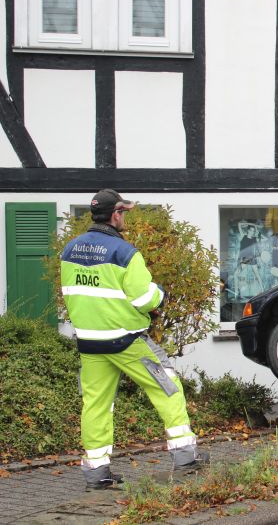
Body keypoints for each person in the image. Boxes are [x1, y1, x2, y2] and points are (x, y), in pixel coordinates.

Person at [60, 189, 209, 490]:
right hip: (126, 341)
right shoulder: (124, 252)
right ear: (115, 214)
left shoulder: (70, 251)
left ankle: (96, 472)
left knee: (96, 405)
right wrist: (161, 294)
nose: (125, 217)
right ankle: (185, 457)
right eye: (124, 212)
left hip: (90, 342)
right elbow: (145, 299)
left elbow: (72, 294)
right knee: (168, 386)